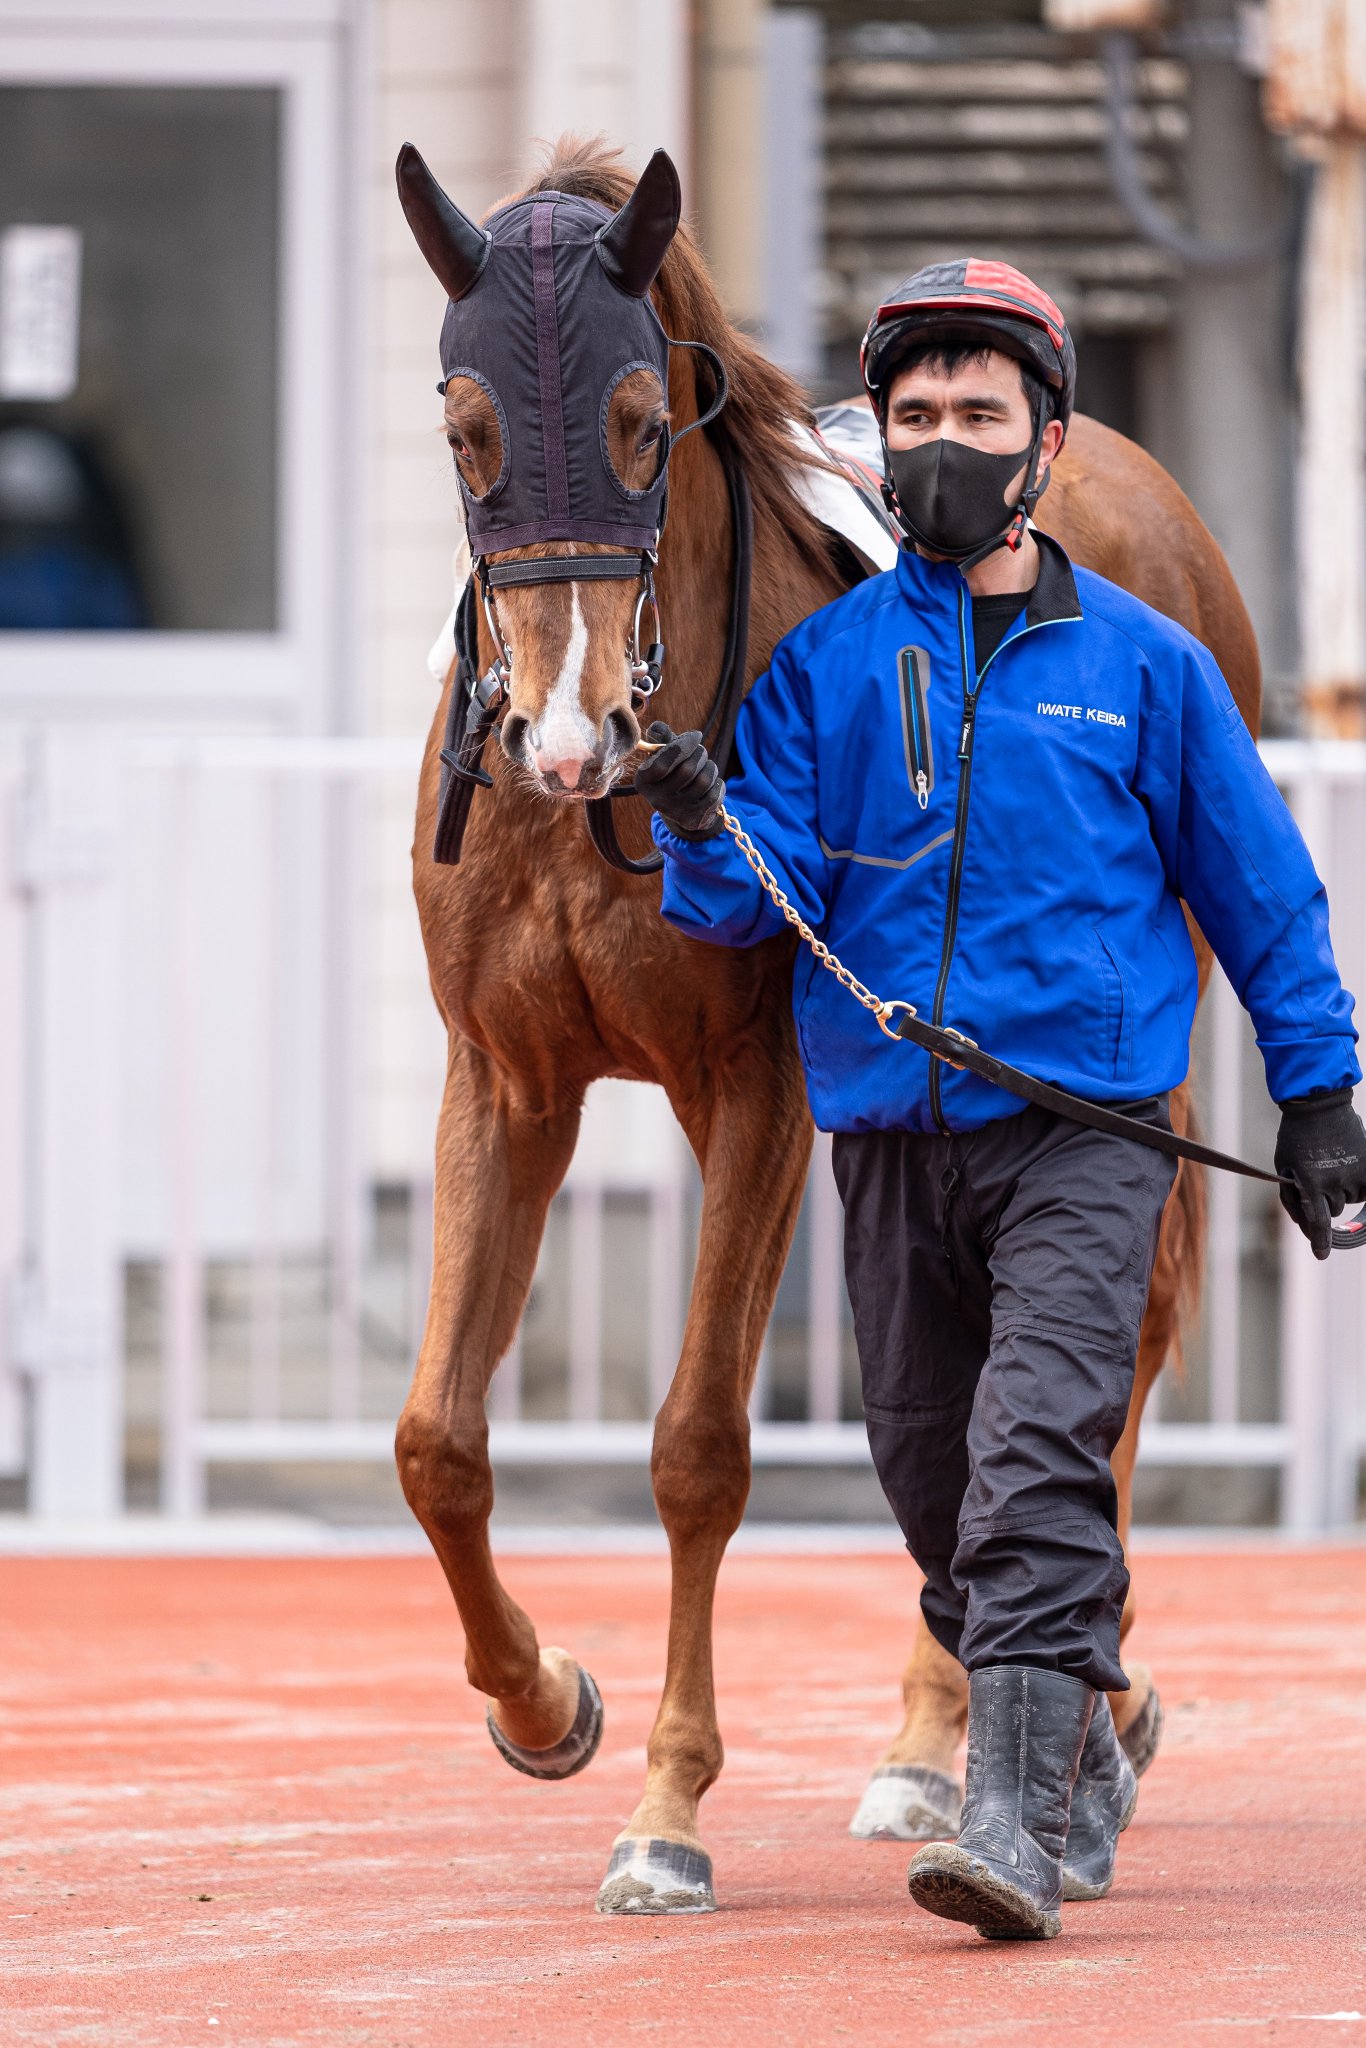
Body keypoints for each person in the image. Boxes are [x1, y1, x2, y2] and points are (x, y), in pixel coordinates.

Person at [633, 259, 1366, 1943]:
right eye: (913, 421)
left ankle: (1010, 1828)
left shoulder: (1148, 667)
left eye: (978, 415)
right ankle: (1086, 1746)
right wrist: (692, 818)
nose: (943, 445)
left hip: (1087, 1133)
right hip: (892, 1132)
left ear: (1043, 444)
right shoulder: (820, 672)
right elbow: (753, 906)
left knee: (1035, 1458)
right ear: (878, 451)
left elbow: (1260, 893)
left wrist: (1320, 1096)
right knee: (929, 1474)